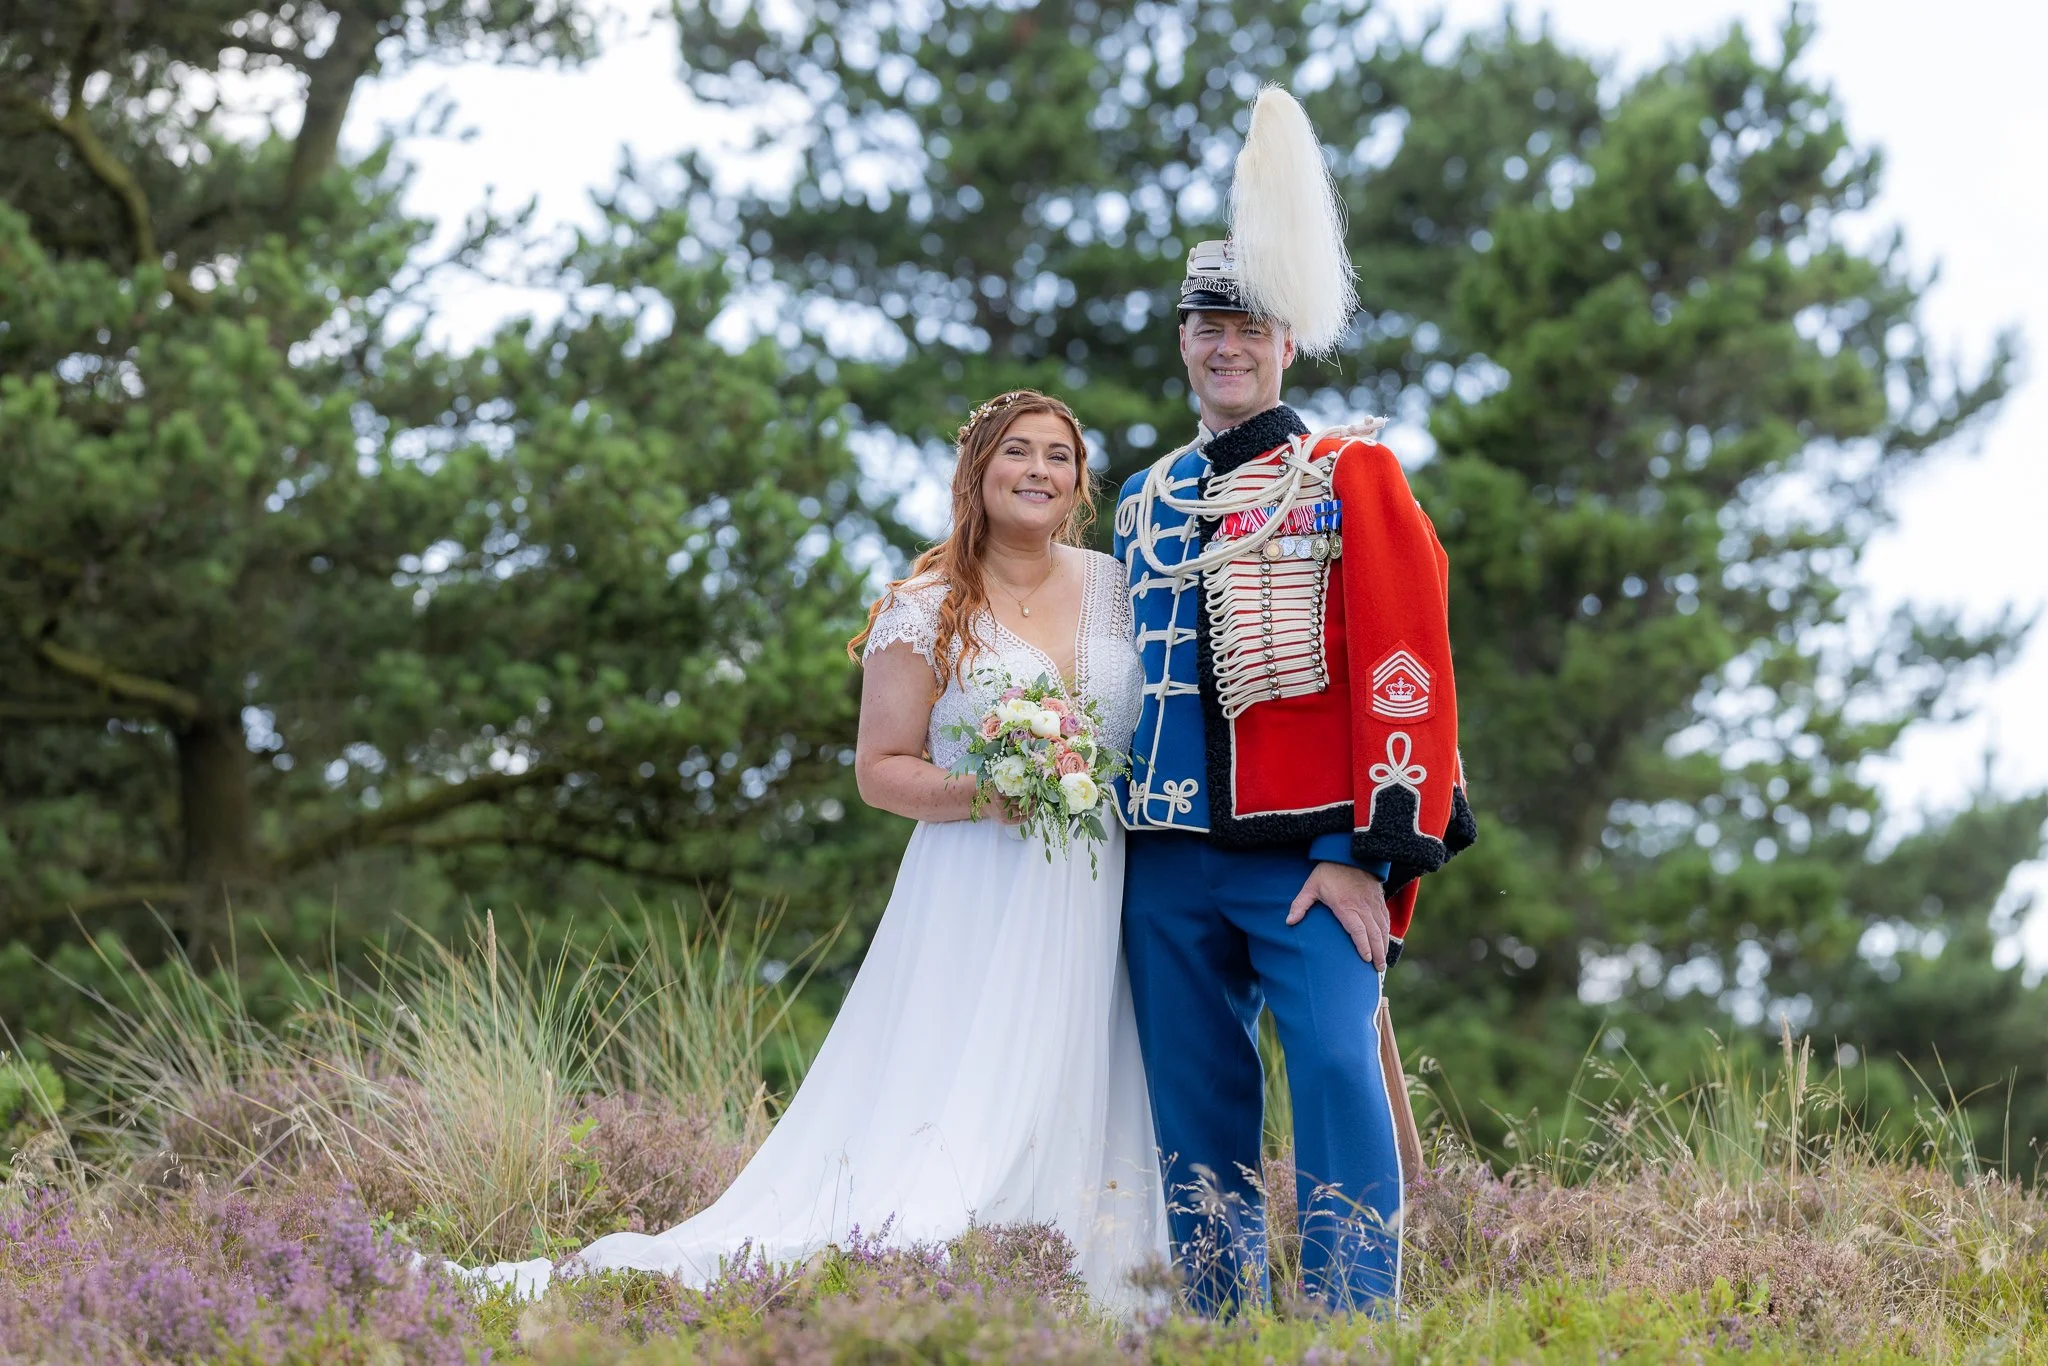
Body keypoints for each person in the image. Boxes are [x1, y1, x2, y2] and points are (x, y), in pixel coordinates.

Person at [467, 390, 1167, 1312]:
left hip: (1096, 883)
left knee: (1088, 1062)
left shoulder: (1119, 587)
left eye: (1058, 457)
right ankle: (940, 1261)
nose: (1038, 471)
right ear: (977, 472)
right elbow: (880, 771)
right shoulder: (926, 609)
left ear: (1079, 483)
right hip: (974, 885)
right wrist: (983, 792)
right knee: (963, 1085)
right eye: (1016, 453)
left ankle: (1092, 1266)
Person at [1112, 85, 1477, 1315]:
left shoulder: (1349, 471)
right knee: (1192, 1102)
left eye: (1249, 329)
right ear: (1181, 341)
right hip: (1162, 853)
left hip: (1307, 853)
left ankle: (1347, 1324)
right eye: (1204, 327)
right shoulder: (1142, 499)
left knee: (1330, 1064)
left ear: (1286, 342)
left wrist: (1368, 853)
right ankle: (1219, 1322)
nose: (1225, 347)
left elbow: (1405, 670)